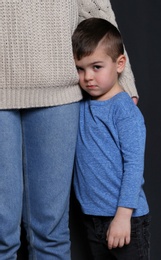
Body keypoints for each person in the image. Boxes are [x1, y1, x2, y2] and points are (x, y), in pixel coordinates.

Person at [0, 1, 138, 259]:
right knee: (1, 232)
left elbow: (95, 7)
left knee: (50, 232)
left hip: (59, 87)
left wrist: (123, 80)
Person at [72, 18, 151, 260]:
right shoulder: (82, 104)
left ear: (119, 64)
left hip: (125, 218)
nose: (88, 77)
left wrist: (123, 216)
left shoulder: (124, 111)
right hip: (92, 217)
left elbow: (134, 166)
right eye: (80, 68)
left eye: (96, 67)